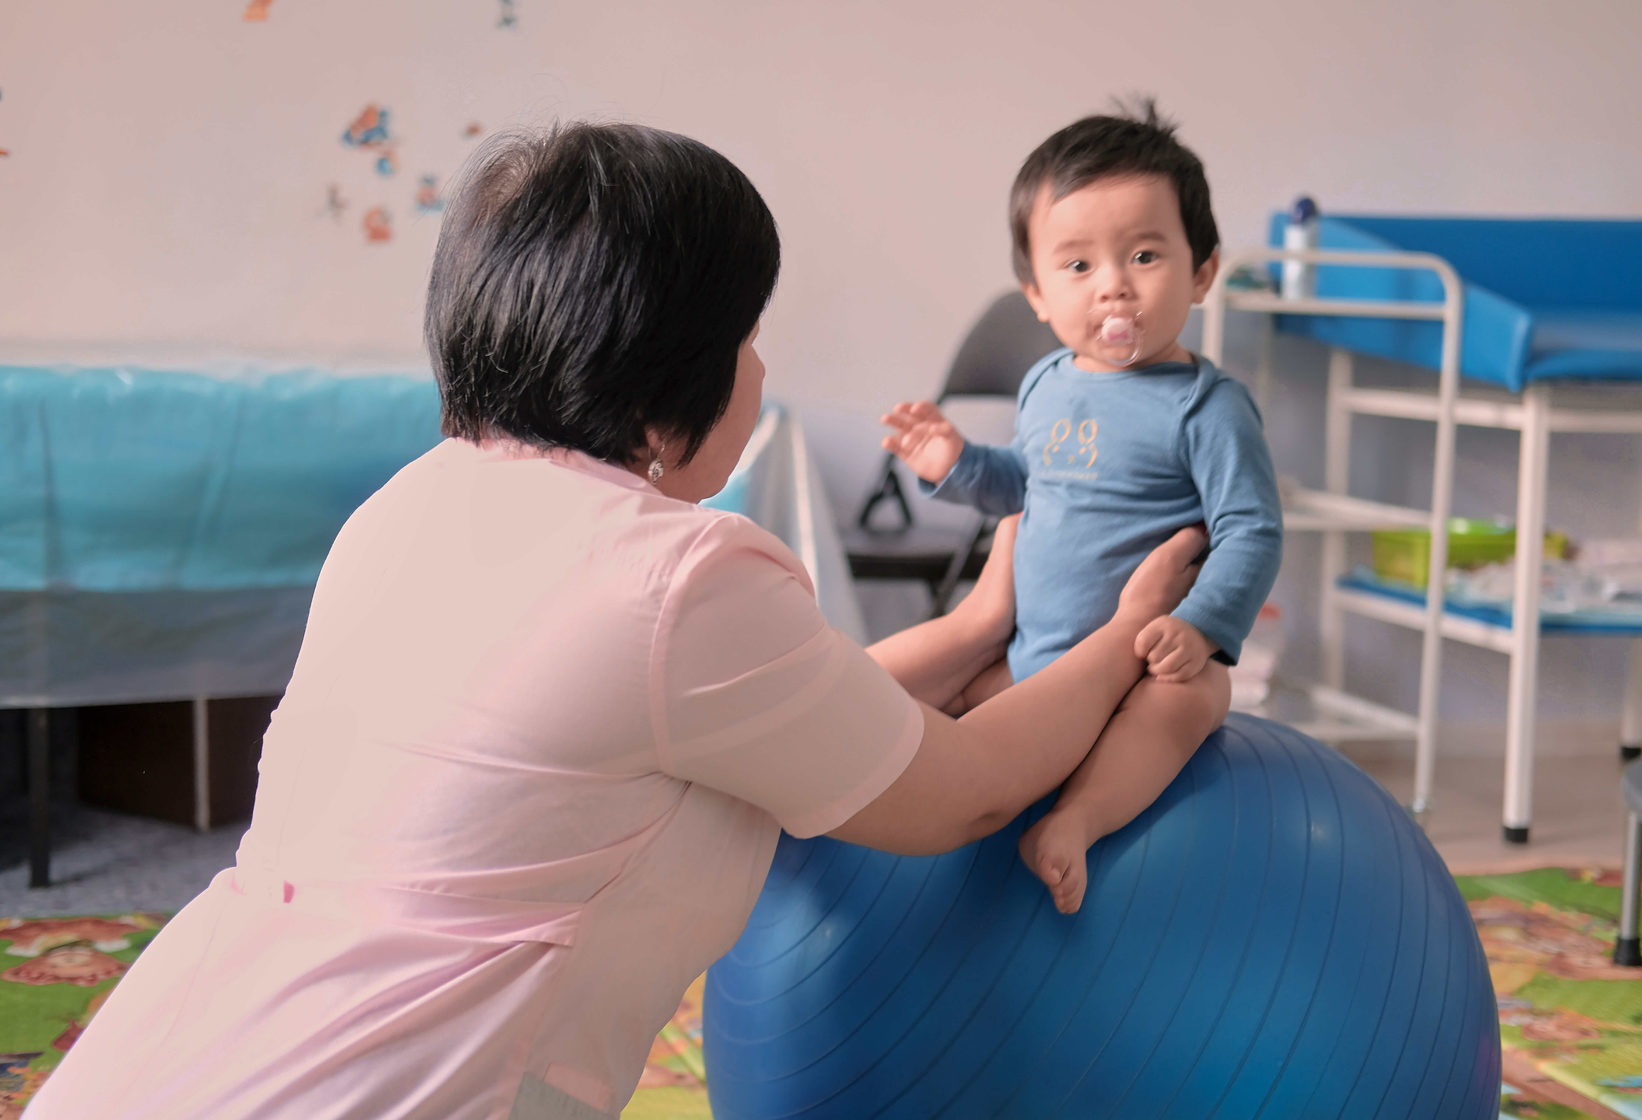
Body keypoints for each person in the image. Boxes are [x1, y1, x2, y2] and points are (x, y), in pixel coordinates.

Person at [24, 122, 1209, 1120]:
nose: (758, 367)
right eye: (748, 334)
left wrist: (985, 617)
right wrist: (1129, 629)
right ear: (665, 378)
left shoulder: (416, 502)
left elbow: (798, 700)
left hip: (171, 1058)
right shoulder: (678, 574)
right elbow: (966, 789)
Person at [881, 103, 1283, 915]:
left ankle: (1078, 822)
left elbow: (1251, 529)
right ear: (1034, 291)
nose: (1114, 286)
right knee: (956, 706)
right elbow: (1024, 486)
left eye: (1143, 255)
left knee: (1191, 702)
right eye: (1077, 266)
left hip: (1144, 662)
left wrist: (1200, 625)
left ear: (1202, 271)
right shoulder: (1045, 384)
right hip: (1037, 656)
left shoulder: (1207, 406)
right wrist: (957, 467)